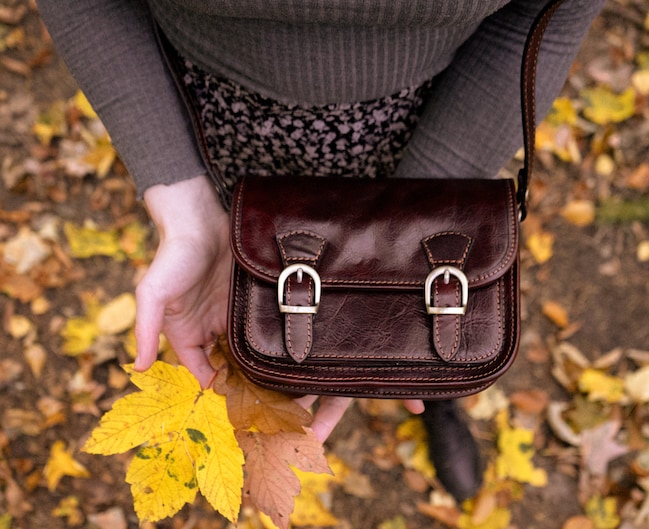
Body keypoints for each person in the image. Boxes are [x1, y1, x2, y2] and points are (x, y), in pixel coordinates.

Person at [38, 0, 605, 503]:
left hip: (442, 116)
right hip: (211, 122)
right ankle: (385, 376)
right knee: (258, 301)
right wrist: (177, 195)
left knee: (433, 305)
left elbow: (550, 12)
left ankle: (437, 388)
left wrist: (417, 207)